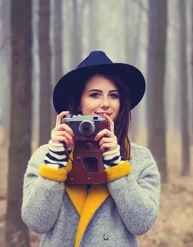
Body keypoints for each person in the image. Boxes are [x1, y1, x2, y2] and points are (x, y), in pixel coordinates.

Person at [21, 51, 161, 247]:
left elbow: (142, 224)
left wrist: (116, 164)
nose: (105, 104)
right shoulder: (46, 156)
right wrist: (55, 162)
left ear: (121, 104)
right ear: (79, 102)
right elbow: (36, 222)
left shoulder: (139, 159)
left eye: (114, 95)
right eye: (94, 94)